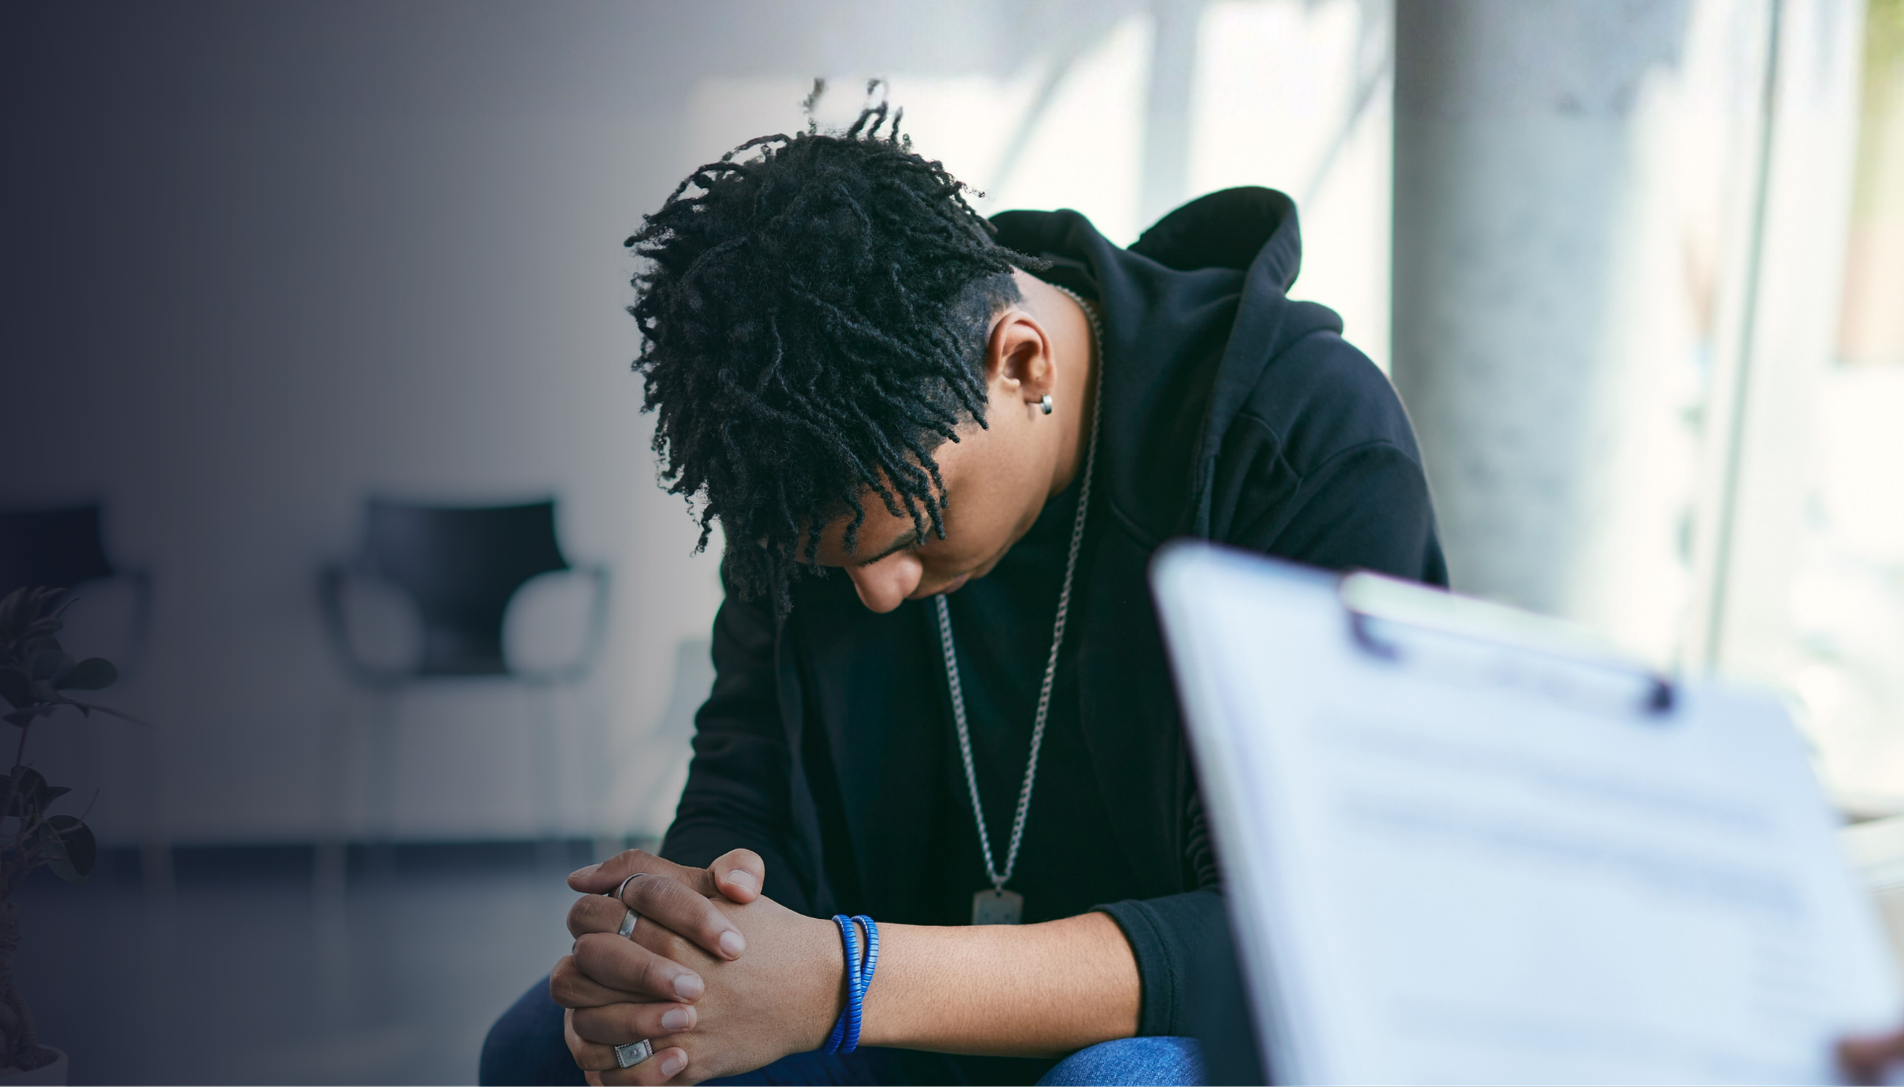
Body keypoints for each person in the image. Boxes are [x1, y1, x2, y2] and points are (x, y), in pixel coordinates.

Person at [479, 90, 1446, 1087]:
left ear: (1021, 363)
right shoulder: (803, 437)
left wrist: (845, 978)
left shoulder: (1298, 443)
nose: (880, 592)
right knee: (545, 1053)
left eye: (915, 530)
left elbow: (1303, 932)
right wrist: (685, 934)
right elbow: (749, 778)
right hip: (894, 1015)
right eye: (831, 562)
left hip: (1182, 1021)